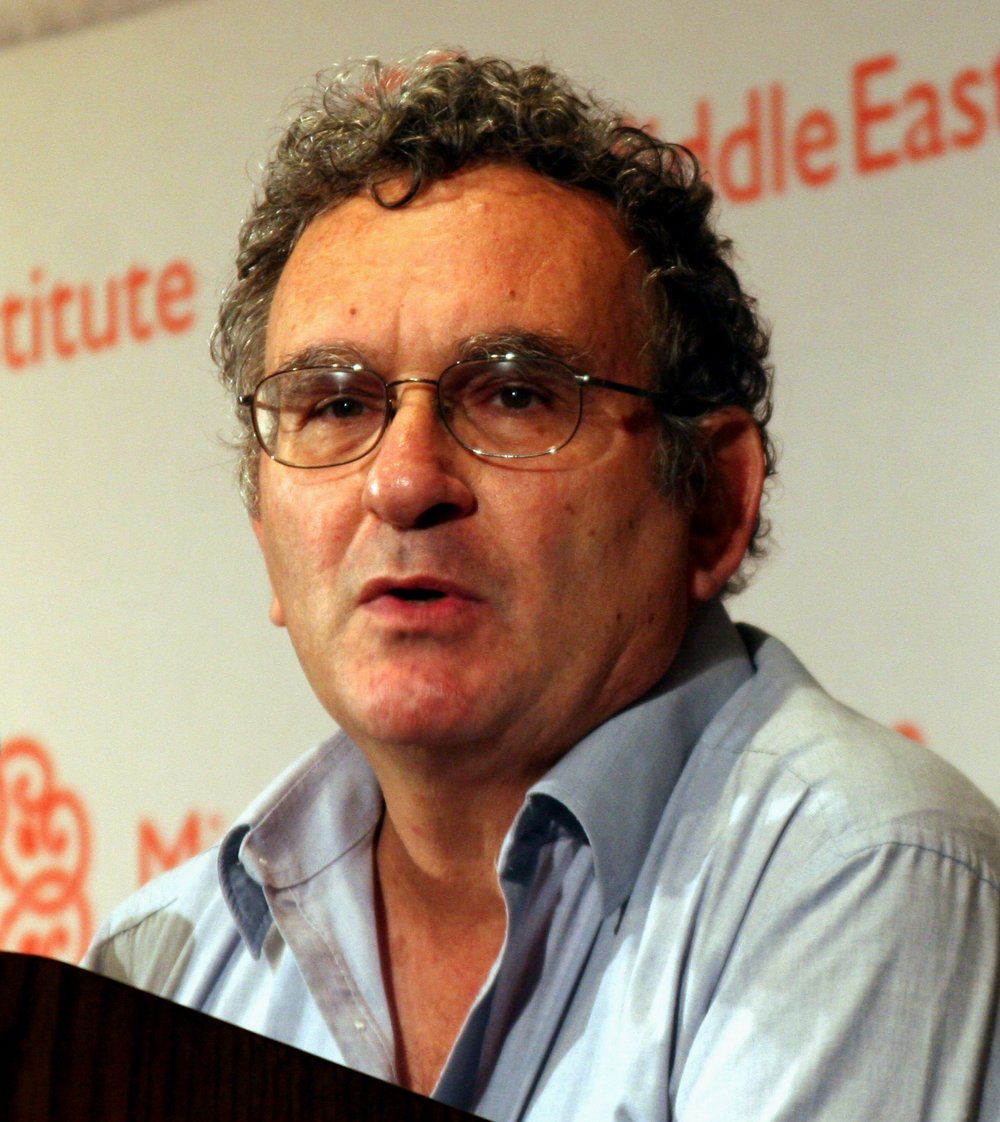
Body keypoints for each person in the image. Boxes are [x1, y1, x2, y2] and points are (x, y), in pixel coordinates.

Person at [83, 53, 1000, 1120]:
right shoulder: (162, 965)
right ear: (263, 528)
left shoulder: (860, 871)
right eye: (336, 406)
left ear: (711, 502)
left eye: (514, 396)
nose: (402, 482)